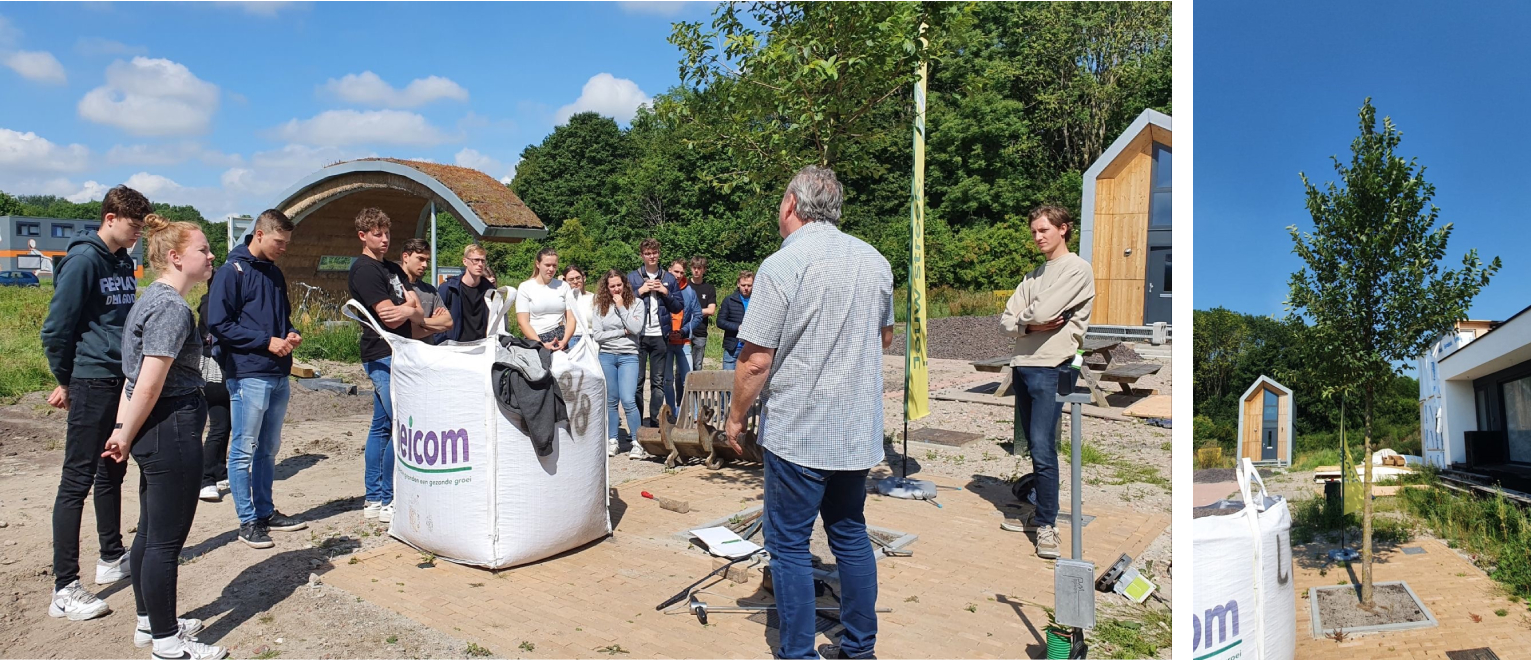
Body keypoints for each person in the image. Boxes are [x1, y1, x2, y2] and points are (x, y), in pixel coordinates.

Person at [724, 165, 893, 660]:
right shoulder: (875, 261)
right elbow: (885, 337)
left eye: (780, 202)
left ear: (792, 205)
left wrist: (735, 417)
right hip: (855, 428)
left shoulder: (783, 264)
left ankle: (798, 653)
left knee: (790, 545)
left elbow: (755, 360)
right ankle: (860, 649)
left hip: (800, 429)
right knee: (851, 534)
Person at [101, 213, 226, 660]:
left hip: (154, 430)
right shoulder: (171, 307)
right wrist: (123, 433)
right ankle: (168, 643)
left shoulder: (151, 298)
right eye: (203, 249)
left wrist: (122, 430)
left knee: (150, 532)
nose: (211, 256)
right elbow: (149, 383)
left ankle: (149, 624)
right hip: (170, 428)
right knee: (164, 542)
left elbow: (131, 379)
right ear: (175, 257)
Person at [40, 185, 148, 621]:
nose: (138, 234)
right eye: (133, 226)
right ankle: (64, 587)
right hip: (91, 380)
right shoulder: (84, 260)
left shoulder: (123, 261)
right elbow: (56, 328)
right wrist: (65, 380)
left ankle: (111, 556)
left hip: (119, 379)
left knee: (112, 471)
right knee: (76, 481)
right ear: (110, 218)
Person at [997, 205, 1095, 560]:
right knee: (1032, 445)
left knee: (1042, 447)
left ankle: (1047, 525)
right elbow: (1006, 321)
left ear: (1063, 229)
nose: (1038, 237)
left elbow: (1039, 311)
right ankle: (1040, 511)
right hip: (1023, 364)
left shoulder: (1077, 269)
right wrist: (1031, 324)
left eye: (1044, 230)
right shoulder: (1034, 274)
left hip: (1051, 366)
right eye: (1034, 232)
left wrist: (1027, 320)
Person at [208, 209, 307, 550]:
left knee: (268, 448)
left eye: (287, 242)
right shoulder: (231, 272)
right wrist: (266, 342)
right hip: (248, 374)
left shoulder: (274, 273)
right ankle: (247, 521)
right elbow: (219, 324)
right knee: (243, 449)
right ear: (260, 235)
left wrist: (290, 333)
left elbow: (283, 318)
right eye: (280, 242)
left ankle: (265, 512)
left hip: (278, 374)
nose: (284, 248)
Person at [347, 208, 423, 525]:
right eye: (377, 234)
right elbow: (389, 316)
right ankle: (388, 497)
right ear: (363, 236)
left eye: (387, 233)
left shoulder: (391, 268)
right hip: (381, 353)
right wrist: (408, 309)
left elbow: (417, 309)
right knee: (397, 424)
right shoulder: (364, 270)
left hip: (401, 351)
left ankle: (375, 498)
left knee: (381, 426)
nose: (384, 239)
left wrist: (406, 309)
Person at [626, 239, 684, 429]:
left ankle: (654, 422)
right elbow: (623, 304)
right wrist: (640, 291)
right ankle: (637, 424)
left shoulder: (669, 278)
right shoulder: (633, 277)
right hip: (639, 336)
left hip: (660, 335)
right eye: (648, 253)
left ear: (659, 254)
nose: (652, 256)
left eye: (654, 253)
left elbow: (678, 307)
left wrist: (665, 292)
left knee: (658, 382)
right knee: (637, 381)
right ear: (642, 255)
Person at [590, 269, 645, 457]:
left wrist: (621, 307)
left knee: (628, 399)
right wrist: (622, 331)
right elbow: (598, 335)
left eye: (619, 285)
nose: (616, 289)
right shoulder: (600, 306)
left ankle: (637, 441)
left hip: (628, 355)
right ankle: (613, 440)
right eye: (612, 286)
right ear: (606, 287)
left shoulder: (637, 303)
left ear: (625, 285)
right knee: (611, 400)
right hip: (607, 356)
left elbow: (636, 328)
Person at [195, 295, 231, 504]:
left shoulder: (221, 301)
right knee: (218, 425)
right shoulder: (211, 303)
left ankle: (219, 471)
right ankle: (205, 479)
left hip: (225, 367)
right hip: (214, 369)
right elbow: (217, 334)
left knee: (226, 424)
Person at [516, 248, 577, 350]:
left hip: (560, 340)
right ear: (538, 264)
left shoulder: (563, 286)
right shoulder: (525, 287)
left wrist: (564, 341)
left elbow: (571, 318)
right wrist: (541, 345)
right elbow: (522, 322)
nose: (551, 269)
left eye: (554, 265)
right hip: (536, 340)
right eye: (547, 265)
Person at [664, 259, 703, 413]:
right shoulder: (662, 289)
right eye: (676, 271)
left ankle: (694, 414)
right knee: (667, 380)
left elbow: (698, 315)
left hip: (684, 341)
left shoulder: (689, 292)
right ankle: (671, 412)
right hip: (666, 341)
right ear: (669, 270)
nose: (678, 275)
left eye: (681, 272)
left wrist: (684, 330)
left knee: (688, 380)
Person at [397, 239, 454, 343]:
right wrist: (435, 324)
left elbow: (448, 323)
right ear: (405, 257)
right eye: (420, 259)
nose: (425, 265)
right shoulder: (394, 288)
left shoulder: (430, 290)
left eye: (427, 261)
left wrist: (419, 322)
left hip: (428, 351)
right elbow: (408, 332)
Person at [438, 244, 496, 342]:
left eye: (483, 261)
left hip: (482, 345)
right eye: (476, 260)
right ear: (465, 261)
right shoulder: (449, 288)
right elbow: (437, 320)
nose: (480, 264)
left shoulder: (490, 290)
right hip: (455, 345)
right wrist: (443, 341)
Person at [714, 271, 753, 371]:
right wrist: (737, 327)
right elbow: (720, 322)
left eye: (749, 285)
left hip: (752, 348)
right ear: (738, 284)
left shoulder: (757, 302)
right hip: (733, 347)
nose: (746, 288)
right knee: (727, 378)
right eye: (743, 285)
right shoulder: (729, 300)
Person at [685, 257, 718, 371]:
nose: (696, 271)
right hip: (684, 330)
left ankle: (696, 384)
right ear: (690, 268)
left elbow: (711, 310)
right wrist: (700, 312)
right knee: (682, 366)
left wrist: (692, 311)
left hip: (700, 331)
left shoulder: (709, 288)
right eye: (694, 268)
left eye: (699, 268)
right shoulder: (684, 285)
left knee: (697, 365)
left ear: (704, 269)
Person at [563, 264, 593, 353]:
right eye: (571, 279)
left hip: (592, 338)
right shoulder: (563, 300)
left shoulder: (594, 298)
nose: (575, 281)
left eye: (578, 278)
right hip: (571, 339)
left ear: (584, 278)